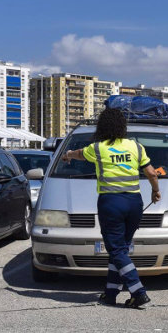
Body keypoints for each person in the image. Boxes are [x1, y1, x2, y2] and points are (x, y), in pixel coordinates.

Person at [62, 108, 161, 308]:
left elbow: (80, 154)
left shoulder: (98, 148)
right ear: (123, 126)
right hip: (134, 203)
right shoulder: (136, 146)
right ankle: (110, 294)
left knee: (116, 251)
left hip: (111, 204)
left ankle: (138, 292)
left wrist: (68, 155)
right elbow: (152, 173)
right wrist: (155, 191)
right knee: (120, 250)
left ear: (102, 127)